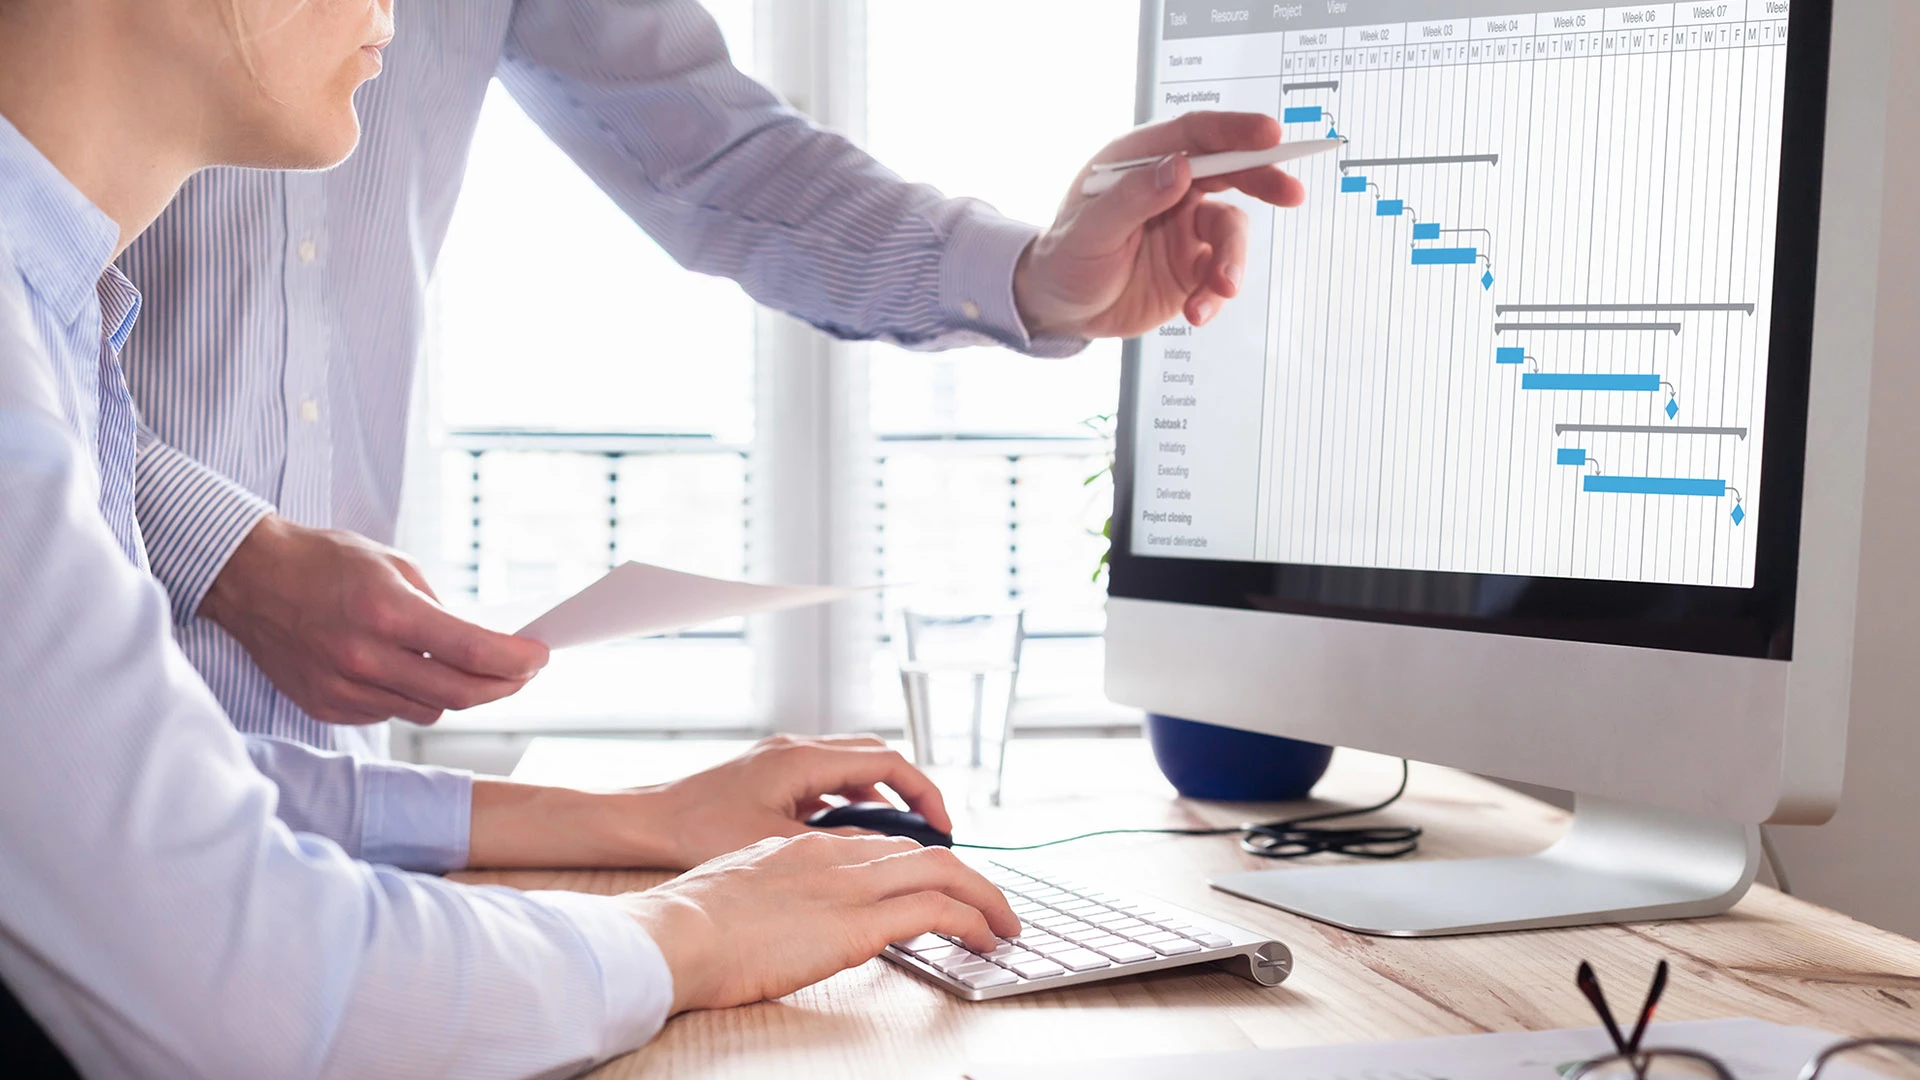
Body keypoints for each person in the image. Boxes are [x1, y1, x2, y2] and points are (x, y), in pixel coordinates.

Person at [0, 1, 1043, 1073]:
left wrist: (640, 821)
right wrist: (699, 933)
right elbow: (254, 980)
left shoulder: (58, 319)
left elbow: (174, 790)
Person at [121, 1, 1305, 771]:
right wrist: (220, 551)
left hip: (326, 765)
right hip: (64, 708)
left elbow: (713, 155)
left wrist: (1039, 278)